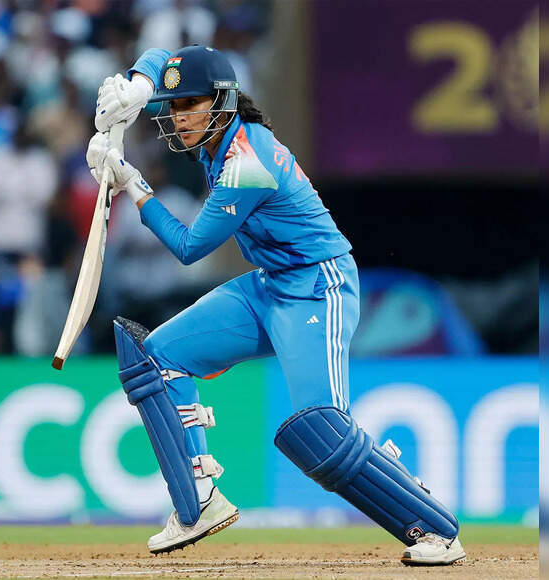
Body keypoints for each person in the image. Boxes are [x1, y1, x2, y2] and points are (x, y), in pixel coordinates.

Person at [86, 45, 466, 565]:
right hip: (268, 285)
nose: (178, 117)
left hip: (318, 287)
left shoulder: (249, 162)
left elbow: (190, 248)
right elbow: (165, 59)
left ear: (222, 102)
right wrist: (137, 85)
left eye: (189, 105)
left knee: (321, 429)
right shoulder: (216, 135)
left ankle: (434, 528)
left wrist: (131, 182)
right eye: (172, 107)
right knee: (157, 357)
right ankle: (199, 499)